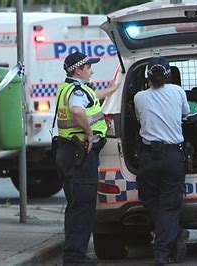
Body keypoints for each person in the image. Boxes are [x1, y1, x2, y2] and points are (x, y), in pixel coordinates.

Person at [55, 51, 118, 265]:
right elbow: (77, 110)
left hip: (68, 151)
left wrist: (111, 89)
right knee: (83, 208)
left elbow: (89, 99)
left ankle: (73, 256)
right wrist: (90, 133)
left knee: (75, 206)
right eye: (89, 67)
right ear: (78, 70)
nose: (92, 71)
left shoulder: (69, 87)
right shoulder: (78, 91)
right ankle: (75, 259)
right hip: (80, 152)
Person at [134, 57, 191, 265]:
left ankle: (166, 244)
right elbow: (186, 114)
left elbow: (140, 119)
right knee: (169, 204)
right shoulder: (178, 92)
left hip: (149, 157)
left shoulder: (139, 97)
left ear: (147, 77)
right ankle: (166, 247)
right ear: (168, 75)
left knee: (149, 199)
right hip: (173, 156)